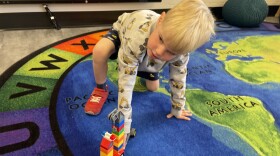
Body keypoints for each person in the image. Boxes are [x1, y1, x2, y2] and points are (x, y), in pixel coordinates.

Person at [85, 0, 215, 149]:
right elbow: (126, 83)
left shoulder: (181, 53)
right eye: (161, 39)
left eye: (171, 52)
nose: (160, 51)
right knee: (100, 51)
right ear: (161, 20)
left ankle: (147, 62)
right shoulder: (136, 36)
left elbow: (178, 78)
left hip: (146, 53)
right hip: (125, 33)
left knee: (152, 88)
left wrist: (178, 107)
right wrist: (124, 127)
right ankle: (101, 88)